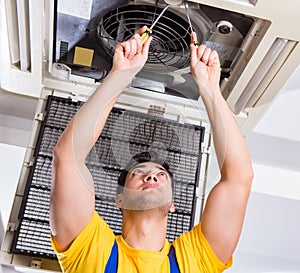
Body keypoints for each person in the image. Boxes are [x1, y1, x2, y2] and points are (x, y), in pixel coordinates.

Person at [50, 26, 253, 272]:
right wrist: (120, 74)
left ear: (172, 204)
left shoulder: (195, 256)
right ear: (119, 200)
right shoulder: (90, 249)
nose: (151, 176)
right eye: (138, 173)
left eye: (161, 175)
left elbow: (238, 178)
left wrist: (211, 88)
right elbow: (67, 158)